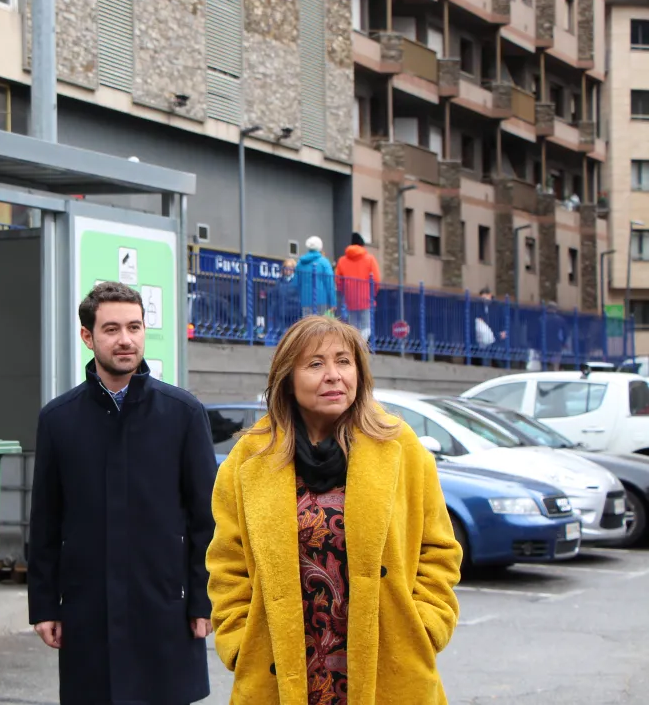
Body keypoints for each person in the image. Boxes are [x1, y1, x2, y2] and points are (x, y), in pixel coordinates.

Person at [206, 314, 462, 704]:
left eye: (344, 361)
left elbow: (439, 550)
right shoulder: (250, 458)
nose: (334, 375)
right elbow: (228, 562)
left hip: (388, 666)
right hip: (282, 669)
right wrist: (239, 641)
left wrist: (426, 626)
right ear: (287, 380)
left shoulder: (399, 447)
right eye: (315, 364)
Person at [28, 281, 218, 705]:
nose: (126, 339)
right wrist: (44, 604)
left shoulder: (183, 413)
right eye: (111, 329)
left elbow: (208, 520)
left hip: (165, 608)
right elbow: (45, 520)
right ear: (87, 336)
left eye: (134, 326)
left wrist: (203, 599)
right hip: (87, 611)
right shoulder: (58, 420)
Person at [335, 232, 381, 341]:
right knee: (366, 326)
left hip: (350, 298)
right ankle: (361, 346)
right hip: (366, 298)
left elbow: (338, 280)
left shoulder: (342, 260)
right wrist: (373, 293)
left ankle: (354, 345)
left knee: (353, 325)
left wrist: (345, 292)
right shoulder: (369, 259)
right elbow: (377, 280)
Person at [297, 236, 337, 317]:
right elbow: (330, 284)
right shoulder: (324, 262)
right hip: (321, 299)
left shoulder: (300, 263)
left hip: (305, 300)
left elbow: (296, 283)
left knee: (308, 325)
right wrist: (333, 302)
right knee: (320, 325)